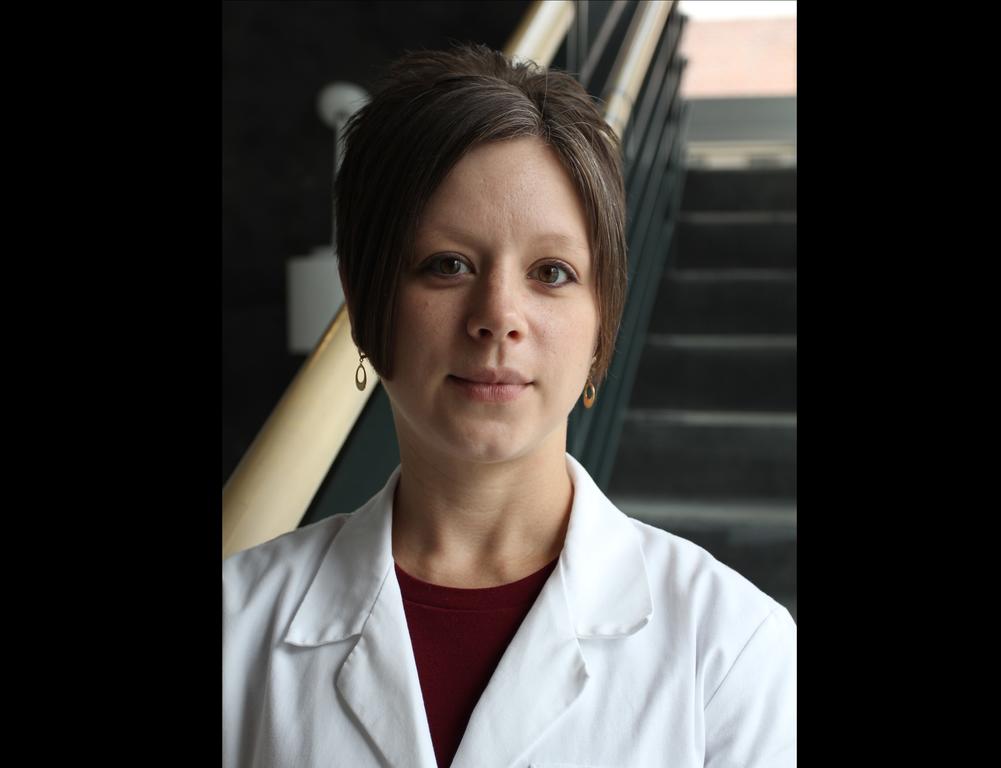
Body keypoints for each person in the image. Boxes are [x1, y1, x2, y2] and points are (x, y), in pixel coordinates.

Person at [223, 42, 795, 768]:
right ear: (365, 301)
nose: (498, 316)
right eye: (448, 265)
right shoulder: (236, 628)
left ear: (602, 319)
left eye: (551, 273)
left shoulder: (732, 649)